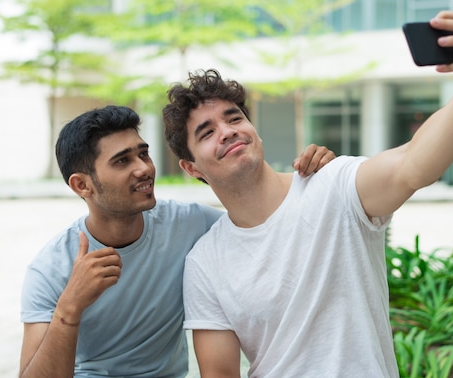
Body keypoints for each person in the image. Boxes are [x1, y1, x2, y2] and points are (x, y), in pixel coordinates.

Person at [161, 10, 453, 378]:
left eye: (235, 117)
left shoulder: (333, 184)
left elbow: (413, 164)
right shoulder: (205, 262)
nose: (227, 131)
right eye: (207, 133)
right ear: (191, 168)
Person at [19, 105, 335, 378]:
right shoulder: (51, 270)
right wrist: (69, 307)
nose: (143, 168)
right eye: (122, 161)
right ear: (82, 185)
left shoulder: (190, 224)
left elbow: (267, 228)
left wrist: (312, 182)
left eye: (143, 153)